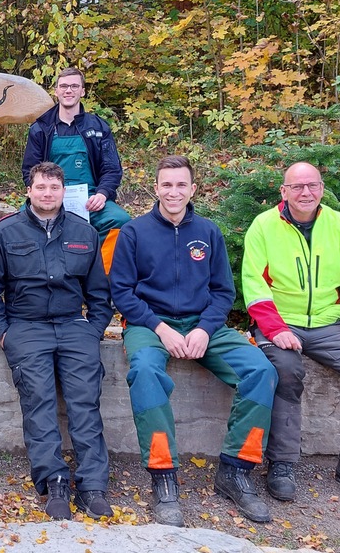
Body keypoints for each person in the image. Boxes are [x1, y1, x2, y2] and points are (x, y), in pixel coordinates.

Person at [109, 156, 276, 526]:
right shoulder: (134, 233)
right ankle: (163, 477)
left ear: (193, 189)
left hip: (205, 325)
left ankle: (235, 471)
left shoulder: (208, 231)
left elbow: (222, 291)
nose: (173, 192)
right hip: (149, 326)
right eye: (166, 184)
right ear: (155, 188)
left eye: (181, 185)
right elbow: (121, 292)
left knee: (261, 370)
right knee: (146, 373)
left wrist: (203, 329)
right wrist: (161, 329)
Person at [242, 161, 340, 509]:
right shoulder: (264, 226)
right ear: (283, 191)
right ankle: (281, 464)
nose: (305, 192)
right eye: (297, 187)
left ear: (322, 189)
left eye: (312, 185)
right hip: (280, 323)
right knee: (284, 370)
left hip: (329, 326)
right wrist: (276, 329)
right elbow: (253, 285)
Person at [0, 161, 115, 519]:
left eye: (54, 188)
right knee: (38, 401)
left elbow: (99, 292)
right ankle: (54, 482)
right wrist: (3, 332)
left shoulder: (84, 232)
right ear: (29, 190)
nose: (48, 194)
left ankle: (92, 485)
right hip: (26, 327)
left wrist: (93, 329)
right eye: (41, 187)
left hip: (73, 326)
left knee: (85, 402)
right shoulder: (6, 233)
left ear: (63, 191)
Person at [22, 66, 130, 271]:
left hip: (89, 198)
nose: (68, 90)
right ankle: (38, 278)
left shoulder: (98, 127)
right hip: (49, 195)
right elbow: (29, 171)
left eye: (74, 86)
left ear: (82, 91)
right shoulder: (41, 128)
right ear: (56, 90)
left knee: (120, 220)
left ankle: (101, 277)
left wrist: (102, 194)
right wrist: (45, 195)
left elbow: (112, 169)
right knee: (21, 222)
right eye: (63, 86)